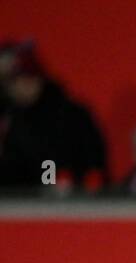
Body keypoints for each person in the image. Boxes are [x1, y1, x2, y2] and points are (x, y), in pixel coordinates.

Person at [0, 40, 106, 190]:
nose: (13, 89)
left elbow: (51, 164)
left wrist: (52, 182)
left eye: (19, 82)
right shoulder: (13, 117)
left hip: (71, 204)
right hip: (24, 205)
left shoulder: (68, 116)